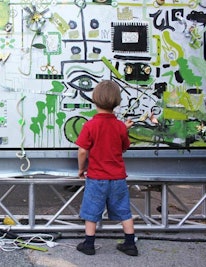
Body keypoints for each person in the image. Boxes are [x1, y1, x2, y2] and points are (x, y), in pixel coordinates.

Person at [75, 80, 138, 256]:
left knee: (91, 211)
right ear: (117, 102)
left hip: (96, 177)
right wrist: (124, 129)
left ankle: (89, 244)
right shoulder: (119, 126)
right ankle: (130, 244)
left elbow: (82, 151)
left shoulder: (90, 125)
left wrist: (81, 169)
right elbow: (123, 147)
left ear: (94, 100)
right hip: (117, 178)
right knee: (124, 211)